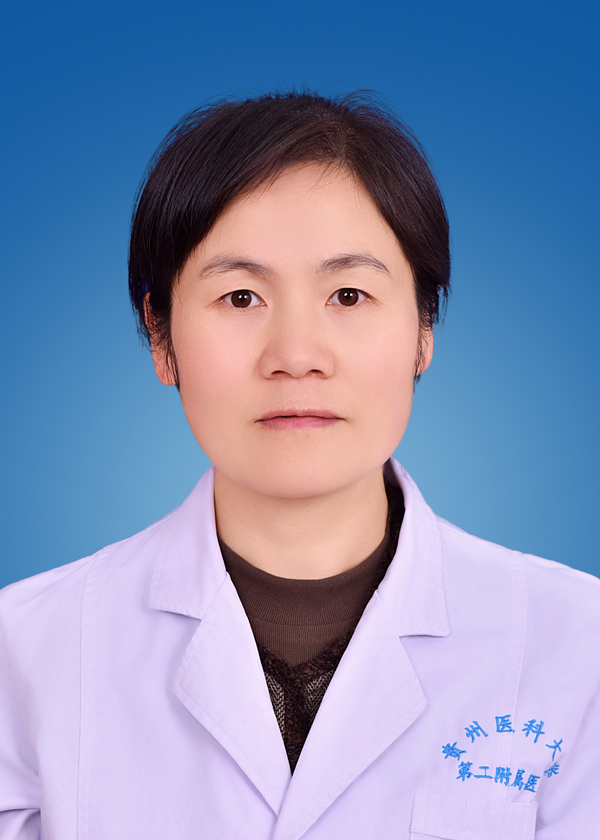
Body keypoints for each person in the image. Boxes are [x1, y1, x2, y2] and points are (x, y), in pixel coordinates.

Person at [0, 91, 598, 840]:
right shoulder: (27, 650)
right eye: (240, 296)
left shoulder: (576, 641)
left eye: (348, 294)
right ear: (160, 336)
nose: (296, 356)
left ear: (423, 328)